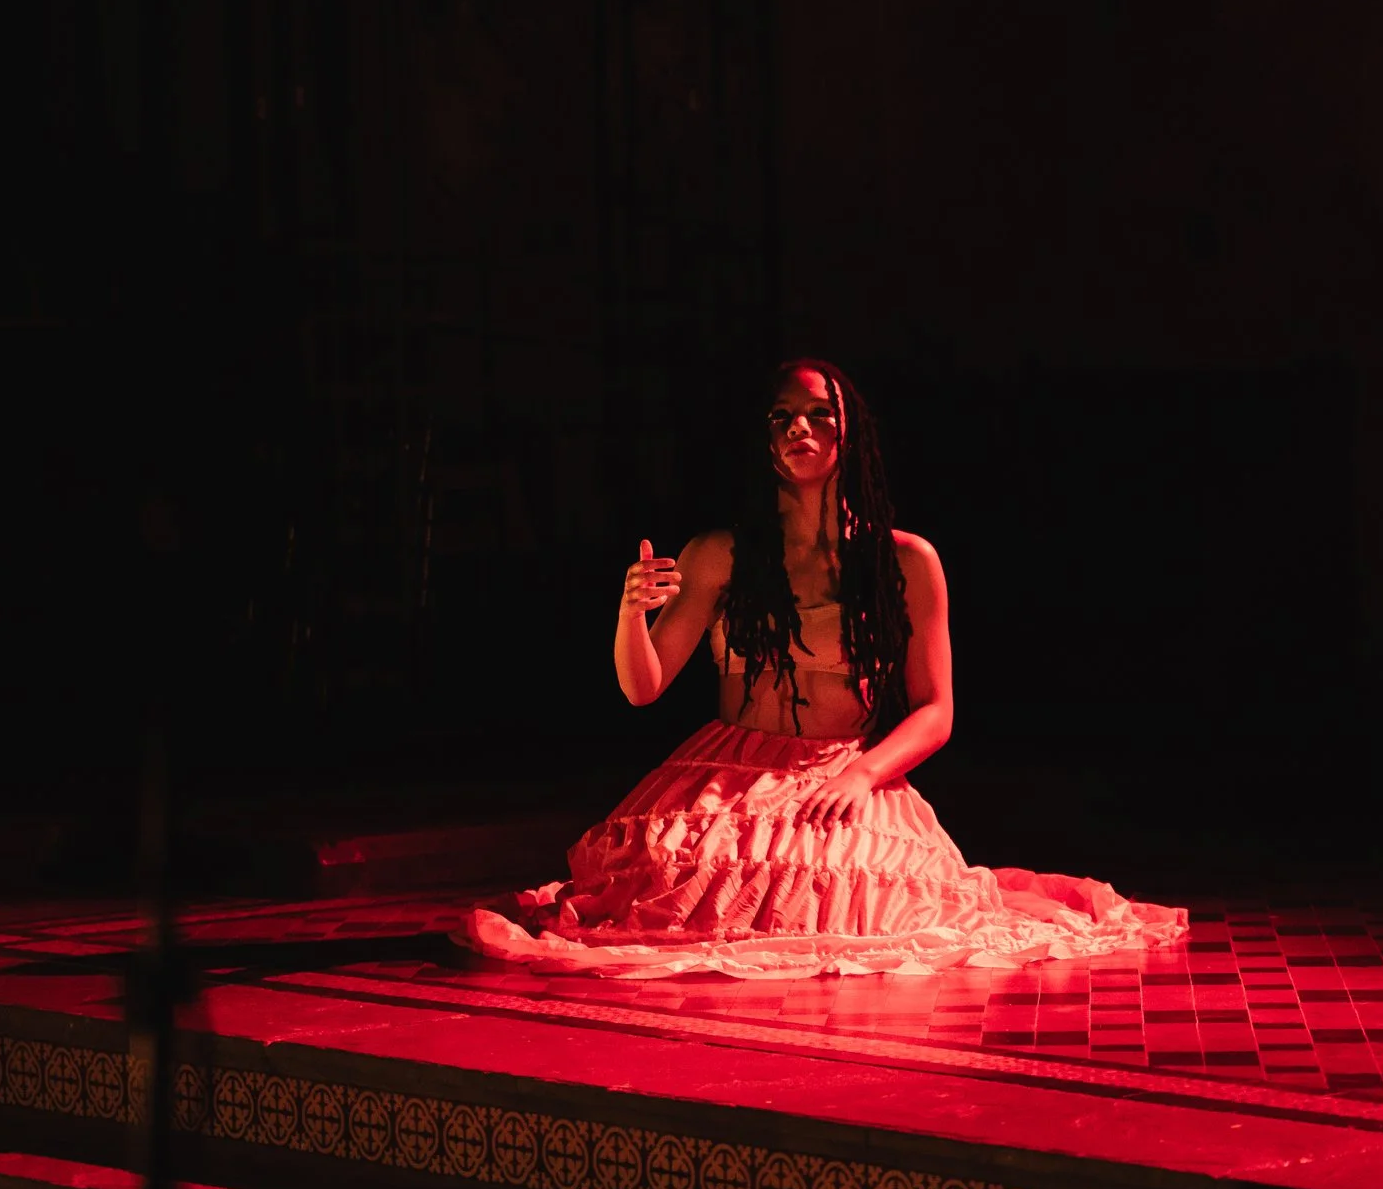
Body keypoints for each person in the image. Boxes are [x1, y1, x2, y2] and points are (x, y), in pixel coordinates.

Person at [459, 359, 1187, 977]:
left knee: (857, 909)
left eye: (816, 415)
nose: (798, 429)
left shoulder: (906, 561)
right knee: (693, 901)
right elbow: (642, 686)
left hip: (844, 772)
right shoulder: (723, 553)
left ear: (850, 433)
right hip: (730, 773)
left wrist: (865, 772)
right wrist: (628, 613)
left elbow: (937, 709)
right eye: (781, 418)